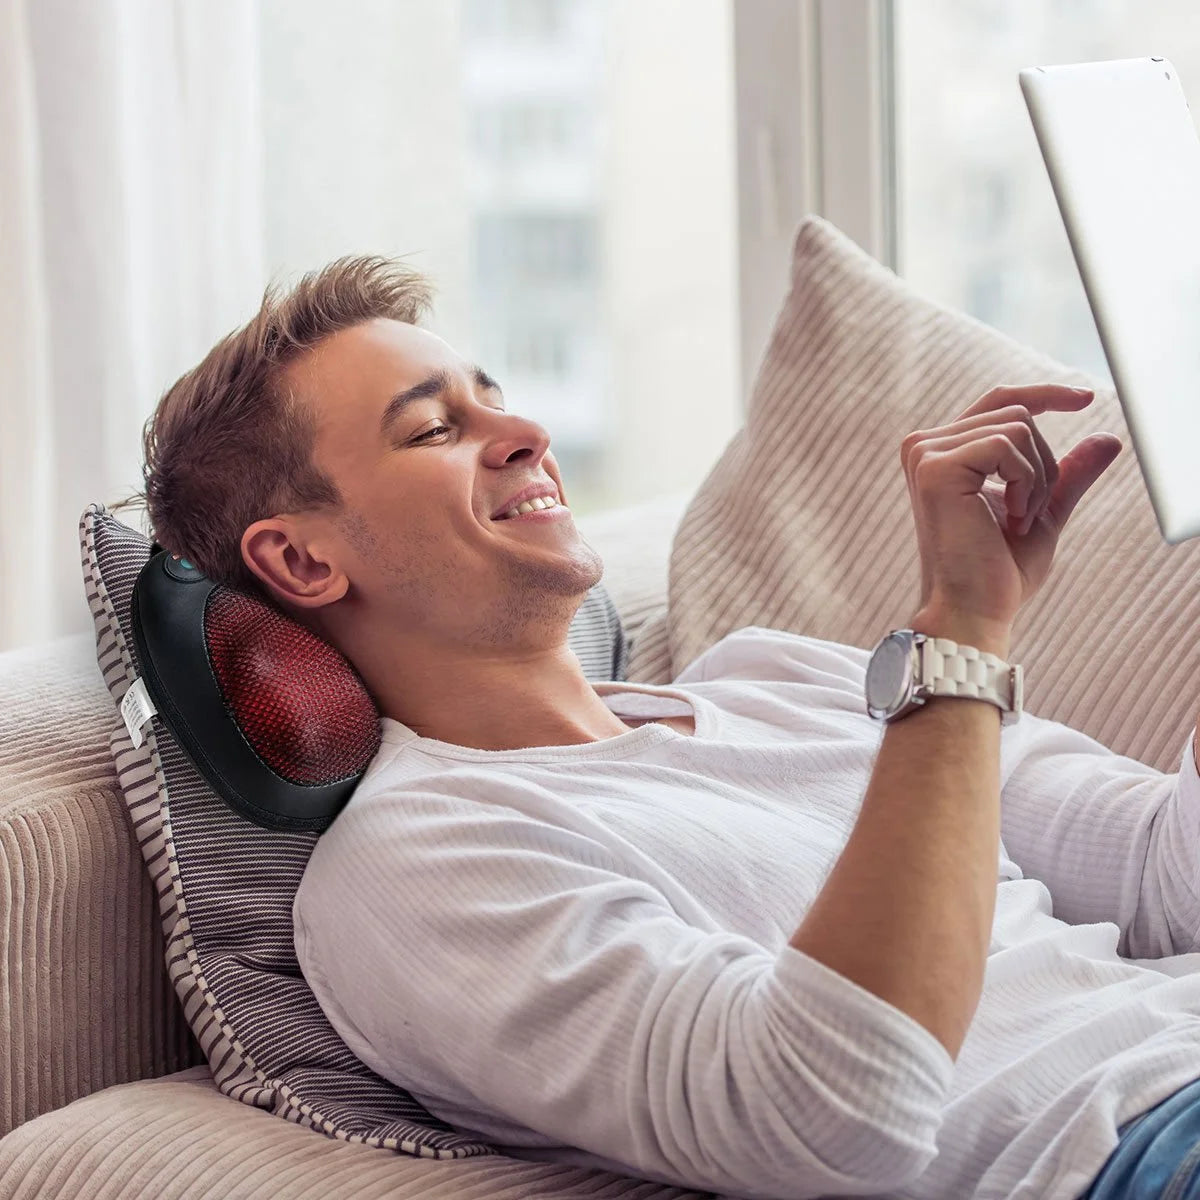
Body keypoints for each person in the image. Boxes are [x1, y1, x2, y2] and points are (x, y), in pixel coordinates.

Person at [141, 256, 1200, 1199]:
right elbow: (836, 1110)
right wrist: (962, 637)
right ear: (302, 563)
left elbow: (1167, 882)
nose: (527, 435)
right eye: (435, 429)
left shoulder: (779, 677)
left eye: (494, 401)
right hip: (1130, 1145)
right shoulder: (416, 866)